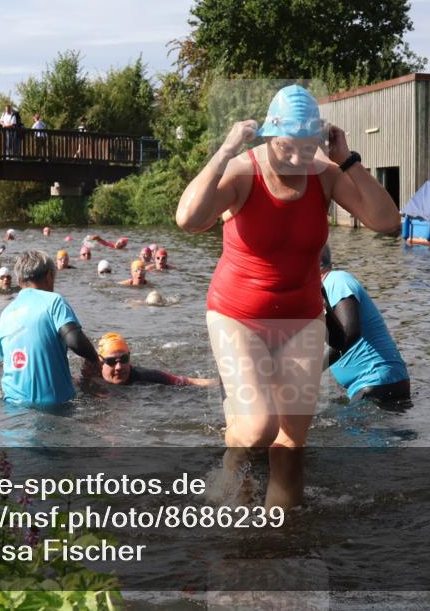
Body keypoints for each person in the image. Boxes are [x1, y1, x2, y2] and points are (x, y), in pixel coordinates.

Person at [175, 84, 400, 509]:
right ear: (267, 136)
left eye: (307, 145)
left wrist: (347, 160)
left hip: (301, 318)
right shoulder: (243, 171)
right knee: (258, 427)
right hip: (236, 315)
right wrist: (224, 151)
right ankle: (232, 458)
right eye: (286, 147)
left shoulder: (325, 173)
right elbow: (188, 219)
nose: (298, 158)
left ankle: (282, 544)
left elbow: (386, 221)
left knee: (291, 447)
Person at [0, 251, 101, 406]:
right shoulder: (54, 301)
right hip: (53, 405)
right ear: (49, 276)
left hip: (12, 405)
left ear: (19, 281)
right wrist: (94, 359)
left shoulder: (6, 313)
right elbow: (75, 340)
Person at [320, 245, 410, 408]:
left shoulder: (337, 280)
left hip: (376, 382)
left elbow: (351, 332)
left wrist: (313, 368)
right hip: (378, 384)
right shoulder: (322, 293)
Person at [89, 333, 214, 388]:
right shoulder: (90, 381)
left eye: (124, 359)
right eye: (111, 362)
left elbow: (186, 381)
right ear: (101, 362)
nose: (119, 367)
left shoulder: (145, 376)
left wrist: (223, 384)